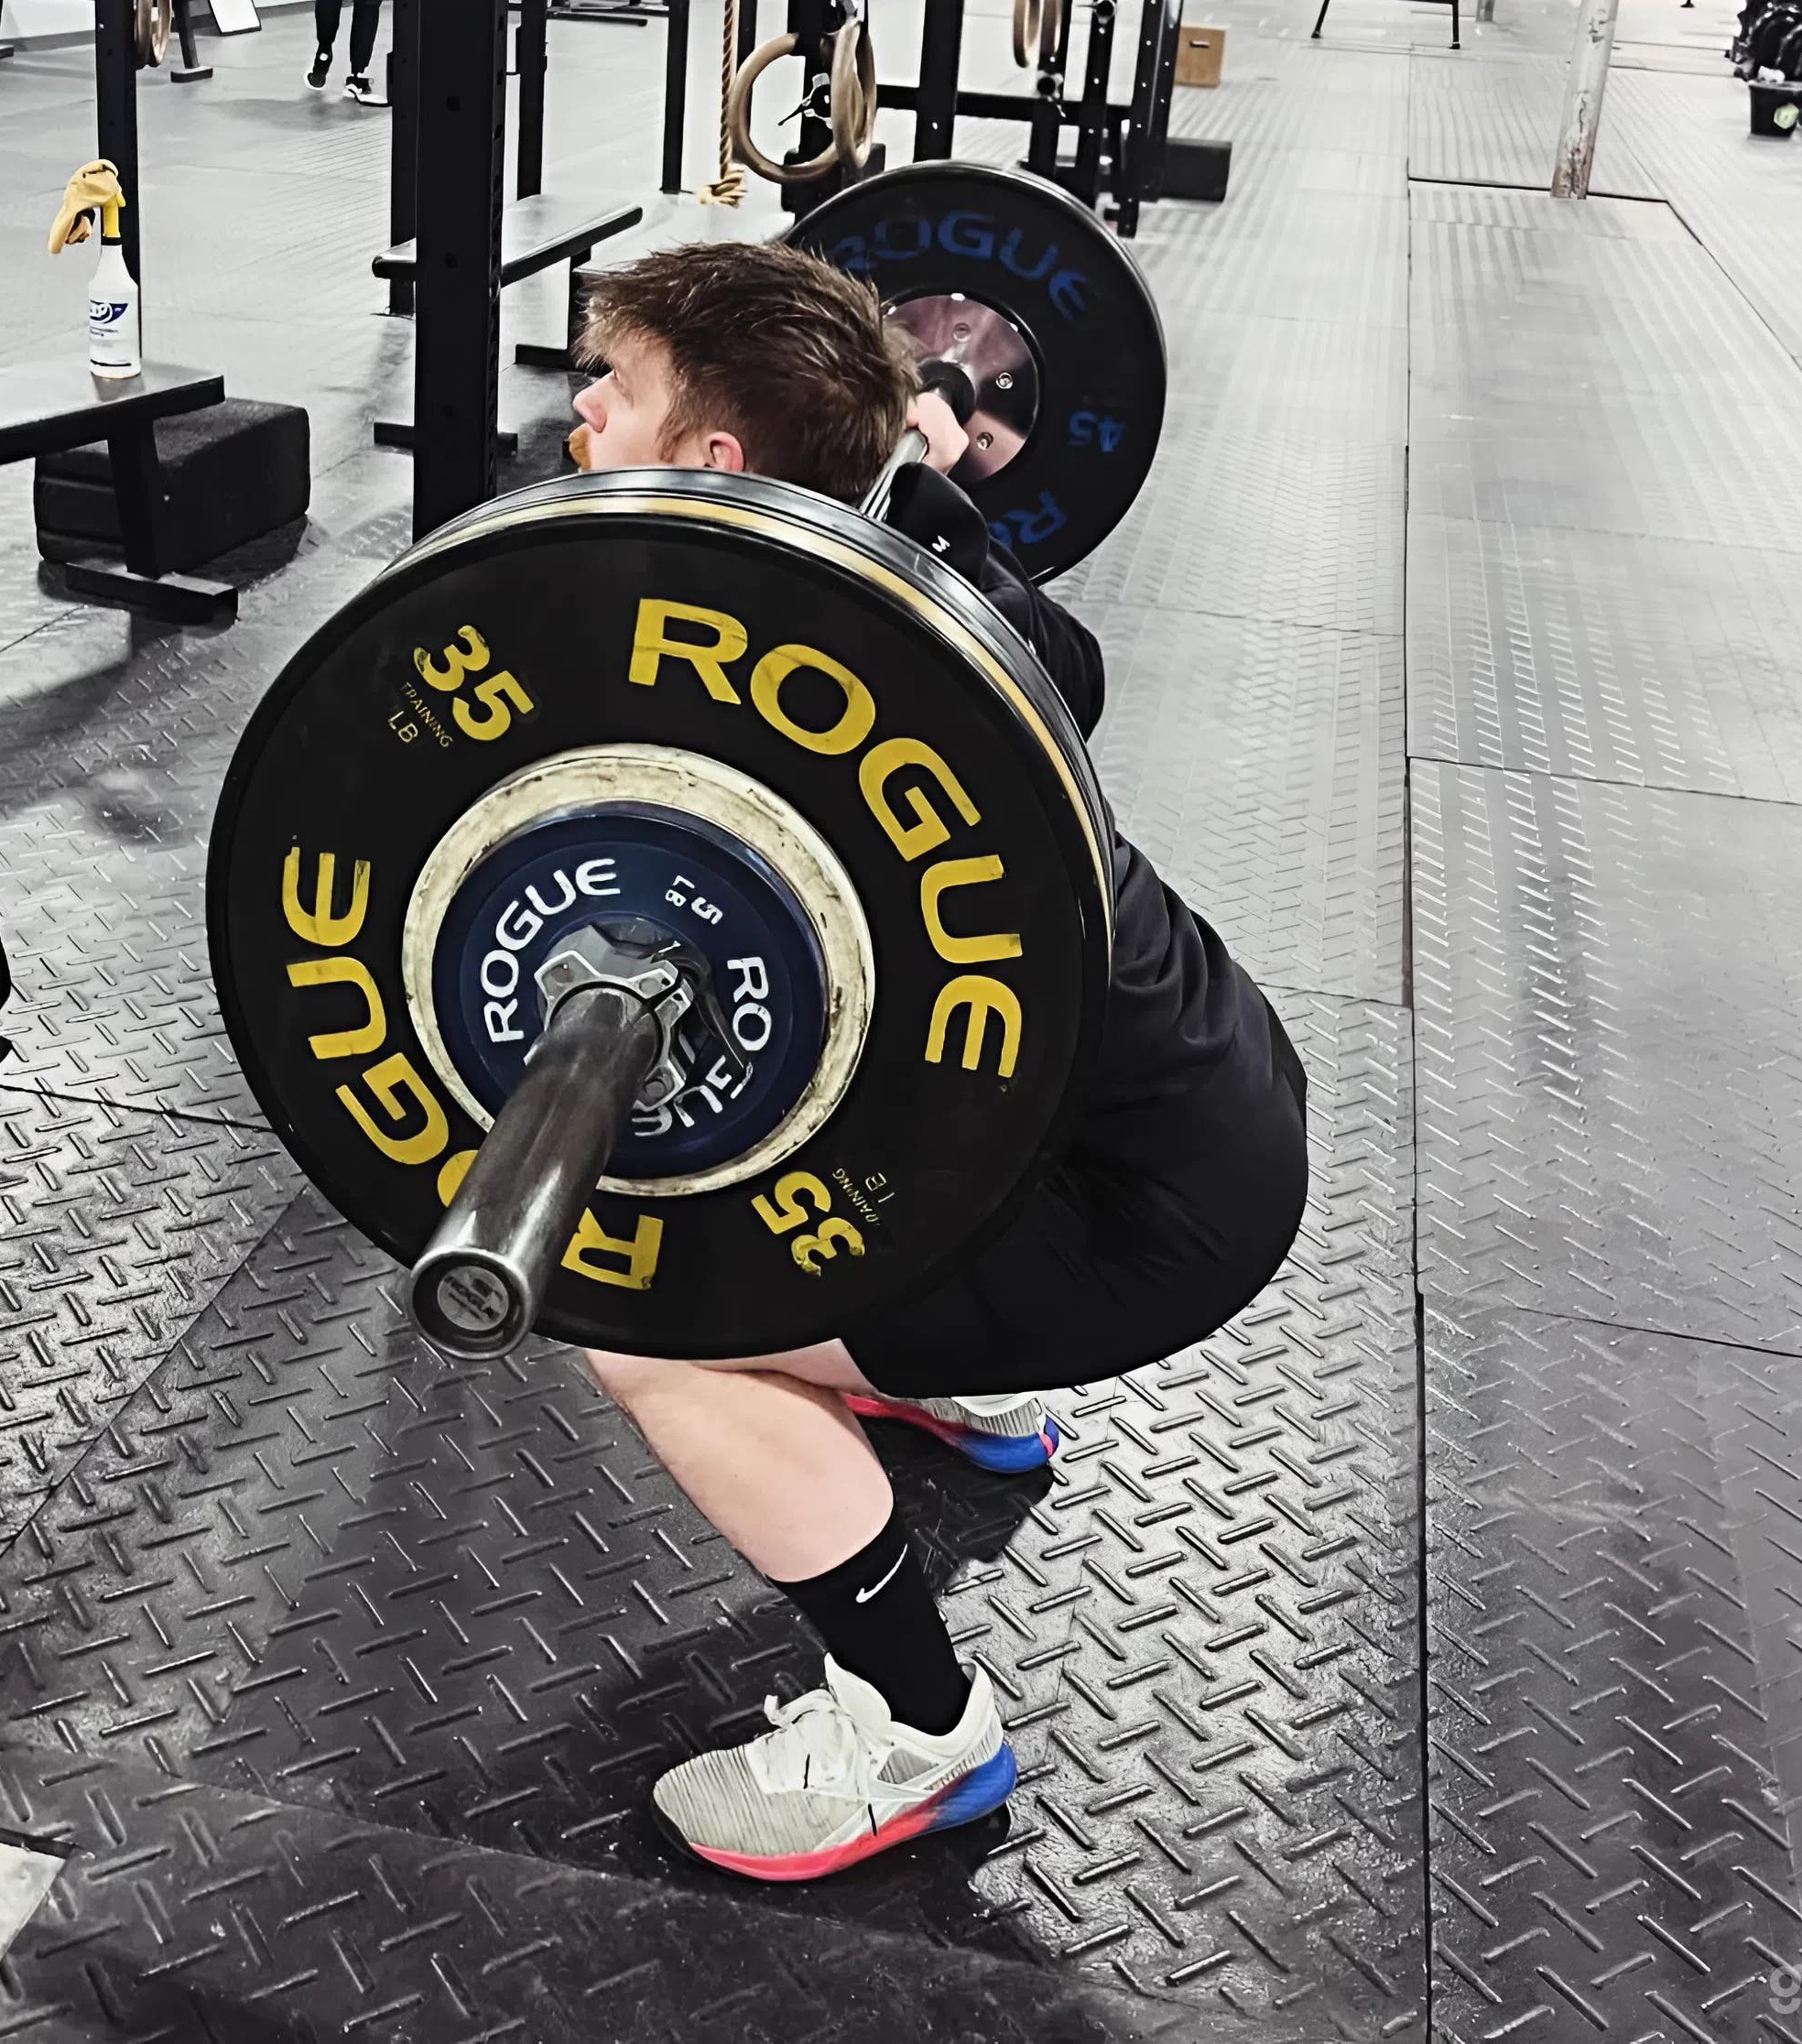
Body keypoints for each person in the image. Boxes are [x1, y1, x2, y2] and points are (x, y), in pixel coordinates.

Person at [561, 241, 1309, 1882]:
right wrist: (921, 476)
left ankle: (912, 1732)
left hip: (1139, 1210)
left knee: (632, 1311)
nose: (582, 409)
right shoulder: (870, 584)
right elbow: (1076, 670)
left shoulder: (781, 692)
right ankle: (936, 1372)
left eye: (616, 387)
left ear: (716, 463)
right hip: (1207, 1078)